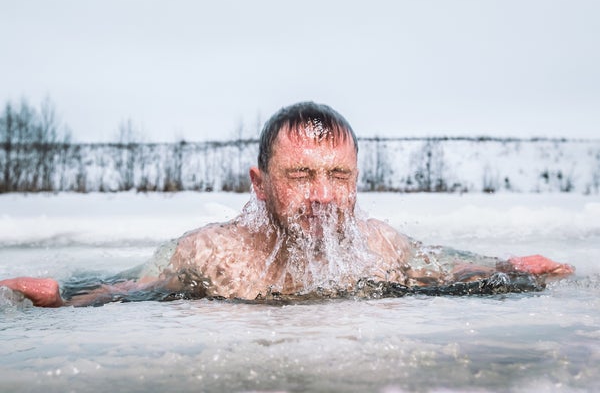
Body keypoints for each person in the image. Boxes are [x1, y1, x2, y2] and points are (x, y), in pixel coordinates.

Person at [0, 102, 574, 307]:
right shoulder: (212, 253)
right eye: (301, 174)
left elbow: (449, 268)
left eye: (339, 176)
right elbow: (127, 287)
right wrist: (64, 295)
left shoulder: (379, 245)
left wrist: (507, 269)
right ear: (260, 182)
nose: (324, 195)